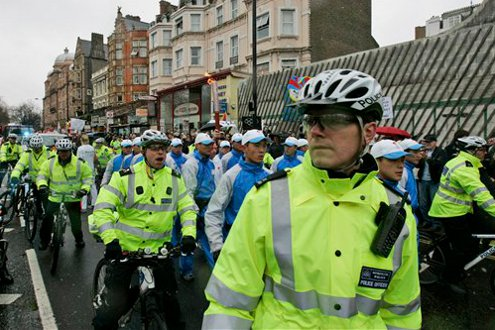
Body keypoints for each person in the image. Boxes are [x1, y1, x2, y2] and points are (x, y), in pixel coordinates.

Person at [202, 69, 421, 329]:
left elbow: (401, 313)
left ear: (369, 131)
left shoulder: (397, 210)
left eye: (334, 119)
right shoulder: (267, 198)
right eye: (311, 120)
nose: (316, 131)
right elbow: (229, 305)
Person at [92, 129, 197, 330]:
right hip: (125, 251)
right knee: (112, 310)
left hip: (160, 251)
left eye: (163, 149)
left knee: (173, 310)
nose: (160, 154)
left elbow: (187, 208)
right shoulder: (124, 177)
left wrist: (189, 235)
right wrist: (110, 240)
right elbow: (102, 208)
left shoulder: (175, 179)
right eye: (155, 149)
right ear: (144, 151)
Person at [429, 136, 495, 294]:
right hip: (450, 211)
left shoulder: (466, 162)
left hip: (457, 209)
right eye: (482, 149)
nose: (485, 152)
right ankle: (447, 279)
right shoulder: (464, 169)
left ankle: (451, 257)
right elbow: (482, 195)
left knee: (477, 235)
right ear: (471, 150)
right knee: (465, 248)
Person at [205, 130, 271, 261]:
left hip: (266, 243)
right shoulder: (231, 176)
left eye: (264, 146)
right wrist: (217, 245)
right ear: (244, 147)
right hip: (238, 242)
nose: (262, 150)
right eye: (257, 145)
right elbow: (214, 211)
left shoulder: (270, 175)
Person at [36, 138, 93, 250]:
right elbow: (42, 175)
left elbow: (88, 178)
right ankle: (44, 241)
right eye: (61, 151)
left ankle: (79, 239)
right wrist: (42, 185)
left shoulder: (80, 163)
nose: (64, 154)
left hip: (72, 198)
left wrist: (84, 190)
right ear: (57, 151)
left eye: (66, 151)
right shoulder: (50, 162)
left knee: (76, 224)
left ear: (70, 151)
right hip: (55, 197)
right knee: (47, 219)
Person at [182, 133, 221, 274]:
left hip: (209, 208)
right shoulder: (191, 164)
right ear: (197, 146)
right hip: (196, 208)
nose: (209, 147)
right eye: (205, 144)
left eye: (210, 144)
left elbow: (215, 186)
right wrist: (195, 212)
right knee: (189, 242)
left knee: (211, 242)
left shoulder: (212, 163)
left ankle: (216, 274)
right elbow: (188, 190)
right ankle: (186, 271)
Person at [10, 134, 51, 215]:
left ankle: (49, 216)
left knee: (46, 200)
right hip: (35, 181)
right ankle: (39, 212)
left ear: (41, 145)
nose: (36, 150)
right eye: (34, 148)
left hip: (46, 181)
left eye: (38, 148)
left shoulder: (49, 153)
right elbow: (19, 165)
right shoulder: (28, 153)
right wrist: (15, 175)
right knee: (37, 200)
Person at [417, 134, 447, 229]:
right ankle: (427, 220)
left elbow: (440, 165)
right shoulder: (423, 151)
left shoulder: (440, 152)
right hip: (423, 180)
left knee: (434, 202)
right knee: (423, 203)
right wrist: (419, 158)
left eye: (429, 142)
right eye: (426, 142)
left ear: (435, 142)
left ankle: (436, 223)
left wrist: (428, 159)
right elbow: (418, 166)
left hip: (434, 180)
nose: (427, 144)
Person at [398, 138, 424, 219]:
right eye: (415, 152)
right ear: (404, 153)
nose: (419, 155)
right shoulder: (401, 172)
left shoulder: (409, 169)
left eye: (419, 152)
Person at [76, 134, 98, 212]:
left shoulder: (80, 149)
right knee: (93, 187)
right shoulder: (92, 148)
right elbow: (95, 158)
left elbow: (78, 160)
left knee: (83, 187)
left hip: (83, 170)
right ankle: (94, 204)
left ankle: (83, 207)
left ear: (81, 140)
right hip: (91, 169)